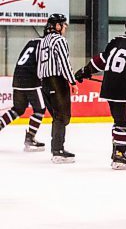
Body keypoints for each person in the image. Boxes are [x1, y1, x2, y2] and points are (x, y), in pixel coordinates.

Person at [74, 17, 126, 169]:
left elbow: (101, 59)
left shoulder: (116, 41)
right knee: (123, 123)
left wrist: (84, 71)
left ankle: (116, 151)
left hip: (109, 88)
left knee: (118, 122)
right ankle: (119, 155)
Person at [37, 14, 78, 163]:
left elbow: (39, 63)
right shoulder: (59, 40)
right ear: (58, 26)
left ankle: (57, 148)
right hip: (56, 81)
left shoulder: (43, 41)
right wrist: (72, 81)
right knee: (62, 116)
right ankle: (58, 151)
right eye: (64, 24)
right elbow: (64, 63)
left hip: (44, 82)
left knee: (57, 117)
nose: (65, 27)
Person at [0, 36, 46, 151]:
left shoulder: (32, 42)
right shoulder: (46, 44)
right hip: (31, 81)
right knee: (40, 109)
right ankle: (30, 138)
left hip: (17, 78)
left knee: (17, 109)